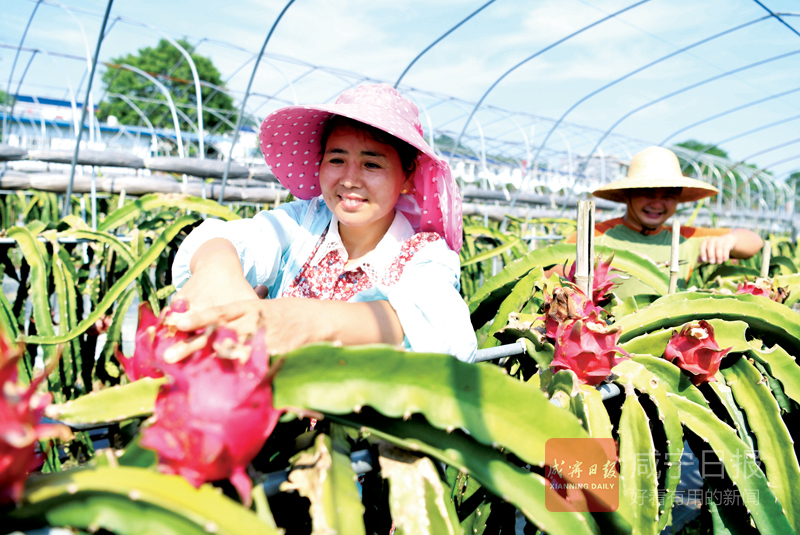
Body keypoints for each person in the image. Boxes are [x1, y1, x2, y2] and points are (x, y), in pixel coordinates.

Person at [168, 83, 477, 363]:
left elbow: (440, 324)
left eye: (372, 164)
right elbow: (229, 239)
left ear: (407, 176)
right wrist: (217, 273)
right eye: (336, 159)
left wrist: (308, 322)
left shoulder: (425, 253)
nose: (350, 179)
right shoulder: (303, 220)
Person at [565, 146, 763, 297]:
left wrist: (730, 240)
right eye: (647, 193)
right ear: (627, 195)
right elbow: (555, 274)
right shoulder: (594, 236)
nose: (657, 203)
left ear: (678, 199)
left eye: (668, 195)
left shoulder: (685, 238)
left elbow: (753, 242)